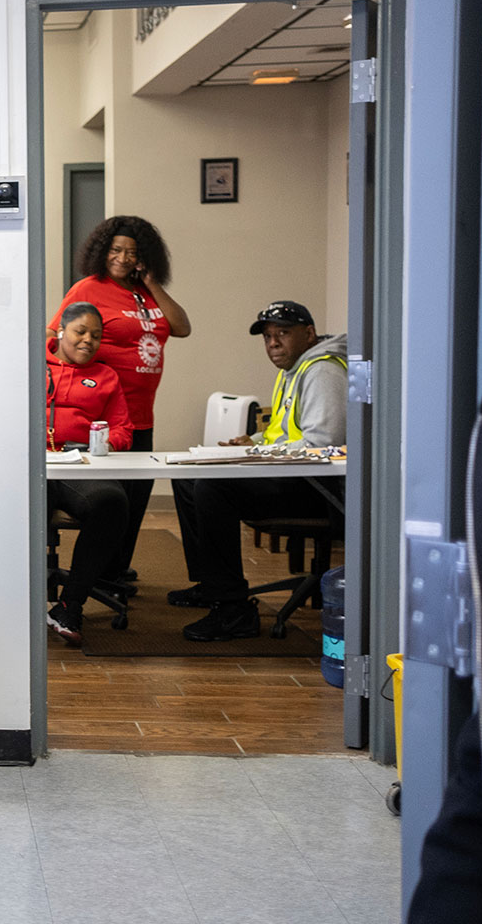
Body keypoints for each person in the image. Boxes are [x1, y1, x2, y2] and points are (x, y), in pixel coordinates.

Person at [169, 300, 347, 641]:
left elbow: (323, 445)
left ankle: (233, 610)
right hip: (294, 476)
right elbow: (284, 431)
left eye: (282, 333)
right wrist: (252, 441)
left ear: (308, 334)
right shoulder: (293, 371)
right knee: (188, 478)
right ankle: (212, 585)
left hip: (320, 488)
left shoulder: (322, 371)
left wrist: (257, 452)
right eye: (267, 336)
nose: (273, 343)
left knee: (212, 488)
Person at [50, 217, 191, 589]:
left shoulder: (147, 293)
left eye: (132, 252)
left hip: (142, 414)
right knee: (113, 500)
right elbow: (55, 332)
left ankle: (113, 573)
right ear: (102, 251)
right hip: (105, 413)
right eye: (116, 250)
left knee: (136, 500)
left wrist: (151, 283)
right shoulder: (90, 287)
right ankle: (97, 575)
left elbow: (181, 326)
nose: (123, 258)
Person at [44, 302, 135, 646]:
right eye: (80, 331)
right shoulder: (34, 365)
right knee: (22, 504)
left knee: (111, 502)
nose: (88, 341)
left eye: (96, 336)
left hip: (81, 464)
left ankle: (70, 604)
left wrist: (104, 441)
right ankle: (13, 603)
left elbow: (124, 430)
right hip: (35, 462)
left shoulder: (106, 376)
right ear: (61, 331)